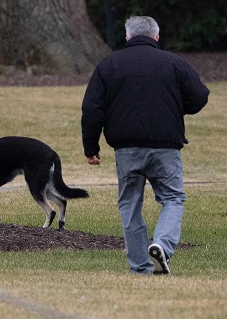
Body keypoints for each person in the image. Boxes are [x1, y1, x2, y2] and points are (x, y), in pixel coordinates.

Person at [81, 15, 209, 275]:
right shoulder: (174, 63)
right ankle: (162, 244)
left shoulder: (110, 64)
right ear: (157, 37)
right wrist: (175, 108)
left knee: (130, 203)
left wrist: (90, 147)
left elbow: (92, 109)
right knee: (172, 197)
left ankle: (140, 267)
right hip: (165, 146)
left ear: (127, 37)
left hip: (126, 148)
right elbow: (200, 96)